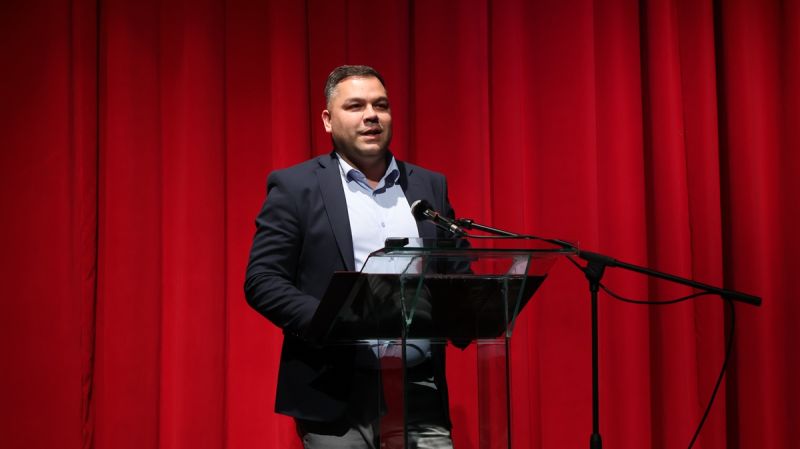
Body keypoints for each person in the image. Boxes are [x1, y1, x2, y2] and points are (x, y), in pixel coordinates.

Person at [245, 65, 458, 449]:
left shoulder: (429, 185)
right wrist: (332, 319)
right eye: (355, 106)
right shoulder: (296, 187)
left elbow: (457, 270)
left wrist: (478, 305)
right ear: (328, 120)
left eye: (381, 105)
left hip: (418, 388)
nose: (371, 115)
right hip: (333, 388)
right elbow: (263, 280)